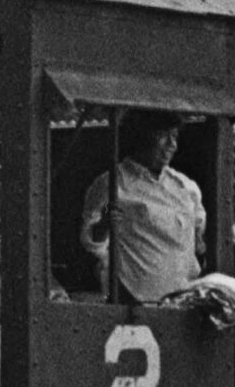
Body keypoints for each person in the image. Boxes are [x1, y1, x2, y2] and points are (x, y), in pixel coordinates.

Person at [82, 109, 205, 302]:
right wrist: (106, 220)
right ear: (142, 137)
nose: (172, 145)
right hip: (135, 300)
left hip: (183, 298)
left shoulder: (185, 186)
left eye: (174, 137)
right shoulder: (113, 183)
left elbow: (199, 231)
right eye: (163, 136)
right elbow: (94, 232)